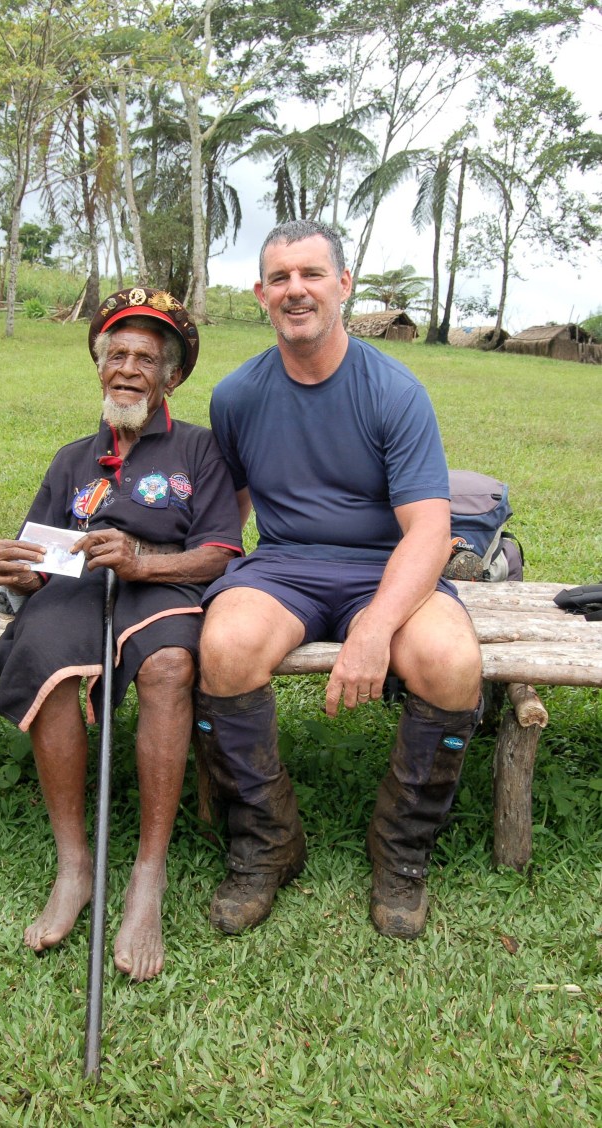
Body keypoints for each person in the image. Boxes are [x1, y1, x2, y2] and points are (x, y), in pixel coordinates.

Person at [195, 221, 483, 940]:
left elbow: (429, 531)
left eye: (312, 274)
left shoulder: (395, 392)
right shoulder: (236, 396)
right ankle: (267, 842)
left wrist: (375, 628)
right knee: (225, 646)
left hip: (384, 568)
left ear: (344, 285)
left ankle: (401, 850)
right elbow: (230, 512)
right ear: (261, 294)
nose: (296, 290)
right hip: (283, 565)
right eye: (280, 278)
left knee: (451, 661)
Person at [0, 287, 243, 980]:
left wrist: (141, 562)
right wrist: (15, 570)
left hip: (164, 585)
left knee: (168, 666)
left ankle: (147, 875)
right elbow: (38, 555)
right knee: (47, 661)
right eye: (116, 355)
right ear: (100, 367)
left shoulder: (199, 449)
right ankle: (75, 866)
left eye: (145, 359)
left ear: (170, 378)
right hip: (78, 591)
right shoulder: (74, 458)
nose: (128, 369)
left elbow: (220, 552)